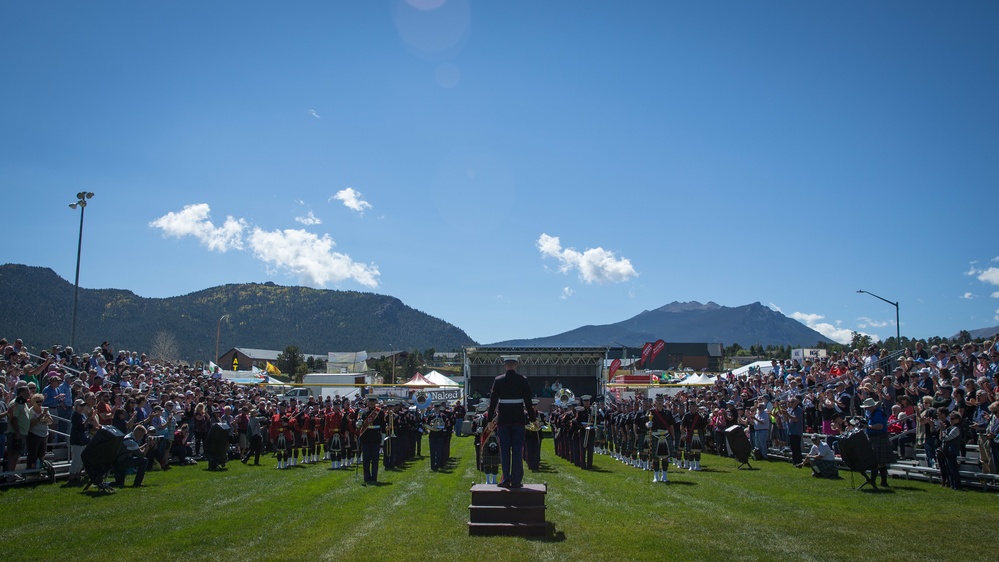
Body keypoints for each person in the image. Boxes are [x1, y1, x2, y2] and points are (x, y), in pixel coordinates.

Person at [486, 357, 536, 488]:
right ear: (516, 365)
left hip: (503, 420)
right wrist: (533, 419)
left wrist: (489, 420)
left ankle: (506, 478)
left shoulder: (498, 380)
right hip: (518, 419)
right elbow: (529, 403)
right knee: (518, 450)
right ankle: (516, 480)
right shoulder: (522, 380)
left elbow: (493, 403)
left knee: (505, 450)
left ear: (505, 366)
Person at [862, 398, 891, 488]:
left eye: (867, 407)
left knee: (878, 461)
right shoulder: (874, 413)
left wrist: (867, 426)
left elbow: (879, 426)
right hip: (875, 438)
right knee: (877, 461)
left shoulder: (878, 413)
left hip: (879, 437)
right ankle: (880, 481)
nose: (866, 409)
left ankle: (877, 481)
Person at [357, 395, 385, 485]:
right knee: (366, 459)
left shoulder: (380, 412)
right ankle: (366, 477)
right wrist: (358, 424)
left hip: (376, 437)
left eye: (373, 401)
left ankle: (374, 477)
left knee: (375, 459)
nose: (371, 403)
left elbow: (383, 426)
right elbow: (358, 425)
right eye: (370, 401)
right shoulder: (362, 412)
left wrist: (383, 439)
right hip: (366, 437)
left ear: (376, 402)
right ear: (367, 402)